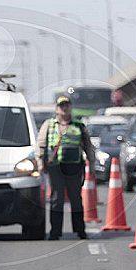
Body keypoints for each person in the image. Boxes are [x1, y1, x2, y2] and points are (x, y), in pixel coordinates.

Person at [37, 96, 97, 240]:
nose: (64, 108)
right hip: (55, 167)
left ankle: (80, 230)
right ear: (57, 109)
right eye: (61, 105)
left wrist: (92, 165)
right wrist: (40, 163)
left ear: (70, 107)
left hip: (75, 167)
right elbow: (41, 145)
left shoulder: (79, 126)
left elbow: (88, 146)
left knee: (75, 198)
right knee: (56, 199)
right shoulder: (49, 125)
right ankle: (55, 232)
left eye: (67, 105)